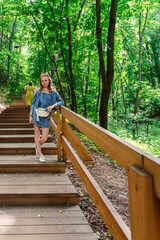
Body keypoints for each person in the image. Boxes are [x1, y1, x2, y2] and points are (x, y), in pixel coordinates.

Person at [29, 73, 64, 163]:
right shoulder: (37, 91)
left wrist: (53, 106)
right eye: (42, 81)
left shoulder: (53, 91)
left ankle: (37, 146)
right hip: (36, 114)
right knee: (37, 135)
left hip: (46, 115)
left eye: (46, 80)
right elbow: (33, 104)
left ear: (49, 81)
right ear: (40, 82)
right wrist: (30, 115)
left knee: (44, 138)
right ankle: (40, 155)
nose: (44, 82)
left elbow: (61, 101)